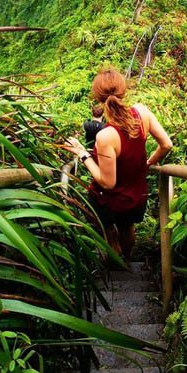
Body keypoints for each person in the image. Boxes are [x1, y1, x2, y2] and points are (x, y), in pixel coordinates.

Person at [65, 67, 172, 261]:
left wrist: (83, 154)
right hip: (136, 194)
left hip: (108, 198)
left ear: (97, 97)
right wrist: (148, 163)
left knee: (94, 213)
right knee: (127, 226)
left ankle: (113, 247)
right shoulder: (142, 113)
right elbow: (166, 144)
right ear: (124, 91)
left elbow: (108, 183)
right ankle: (126, 259)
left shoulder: (105, 136)